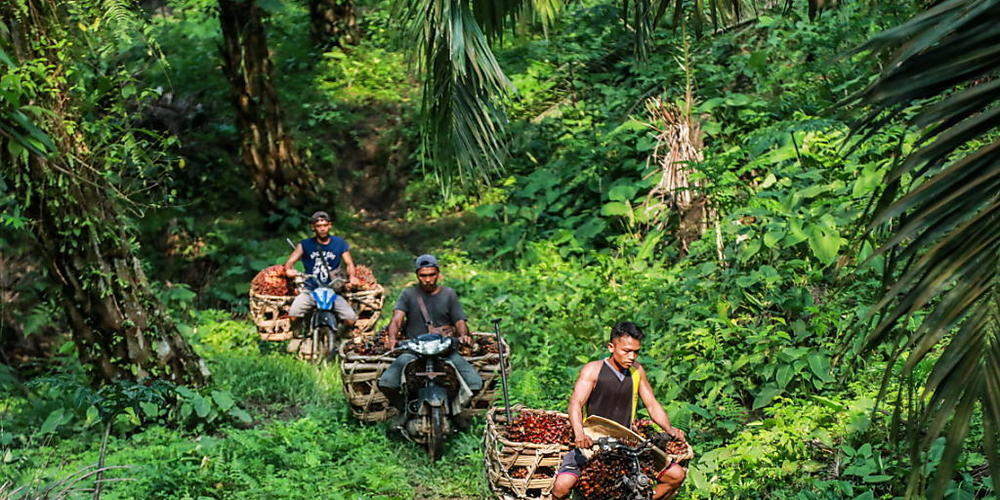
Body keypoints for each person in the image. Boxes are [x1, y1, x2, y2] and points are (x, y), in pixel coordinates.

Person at [552, 322, 687, 500]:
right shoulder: (593, 370)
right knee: (562, 487)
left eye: (636, 352)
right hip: (593, 441)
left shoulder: (637, 371)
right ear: (611, 347)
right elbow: (575, 403)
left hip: (626, 443)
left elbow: (652, 404)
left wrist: (669, 430)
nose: (632, 356)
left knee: (676, 475)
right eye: (626, 351)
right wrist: (579, 435)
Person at [377, 254, 483, 414]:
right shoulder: (408, 295)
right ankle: (404, 410)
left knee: (475, 382)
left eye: (432, 275)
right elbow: (397, 318)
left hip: (444, 348)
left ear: (438, 274)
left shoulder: (449, 294)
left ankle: (456, 409)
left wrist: (463, 335)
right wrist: (392, 338)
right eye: (423, 275)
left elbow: (459, 320)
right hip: (415, 349)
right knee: (387, 382)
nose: (428, 279)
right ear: (417, 276)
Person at [283, 211, 357, 328]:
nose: (322, 229)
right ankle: (300, 333)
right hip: (311, 289)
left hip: (332, 290)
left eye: (324, 225)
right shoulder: (304, 244)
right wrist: (289, 270)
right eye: (318, 226)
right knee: (294, 315)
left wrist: (352, 277)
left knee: (350, 319)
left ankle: (340, 334)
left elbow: (349, 263)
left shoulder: (340, 243)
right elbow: (289, 263)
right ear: (313, 227)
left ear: (329, 225)